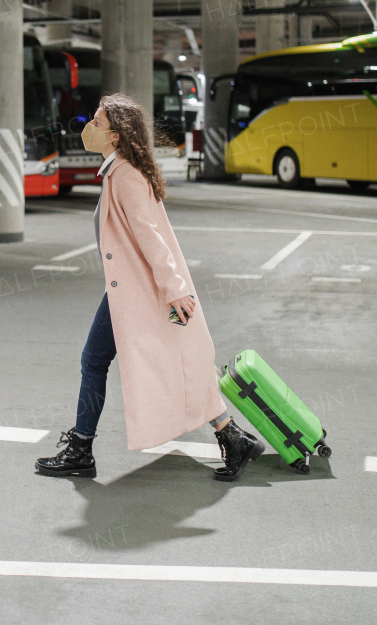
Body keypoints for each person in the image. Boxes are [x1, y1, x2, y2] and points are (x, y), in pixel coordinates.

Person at [35, 93, 264, 482]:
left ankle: (81, 449)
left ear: (116, 135)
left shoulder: (125, 177)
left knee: (96, 360)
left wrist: (175, 290)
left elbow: (152, 238)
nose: (89, 128)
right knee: (180, 358)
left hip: (141, 292)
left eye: (97, 121)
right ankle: (231, 436)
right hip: (134, 291)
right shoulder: (120, 171)